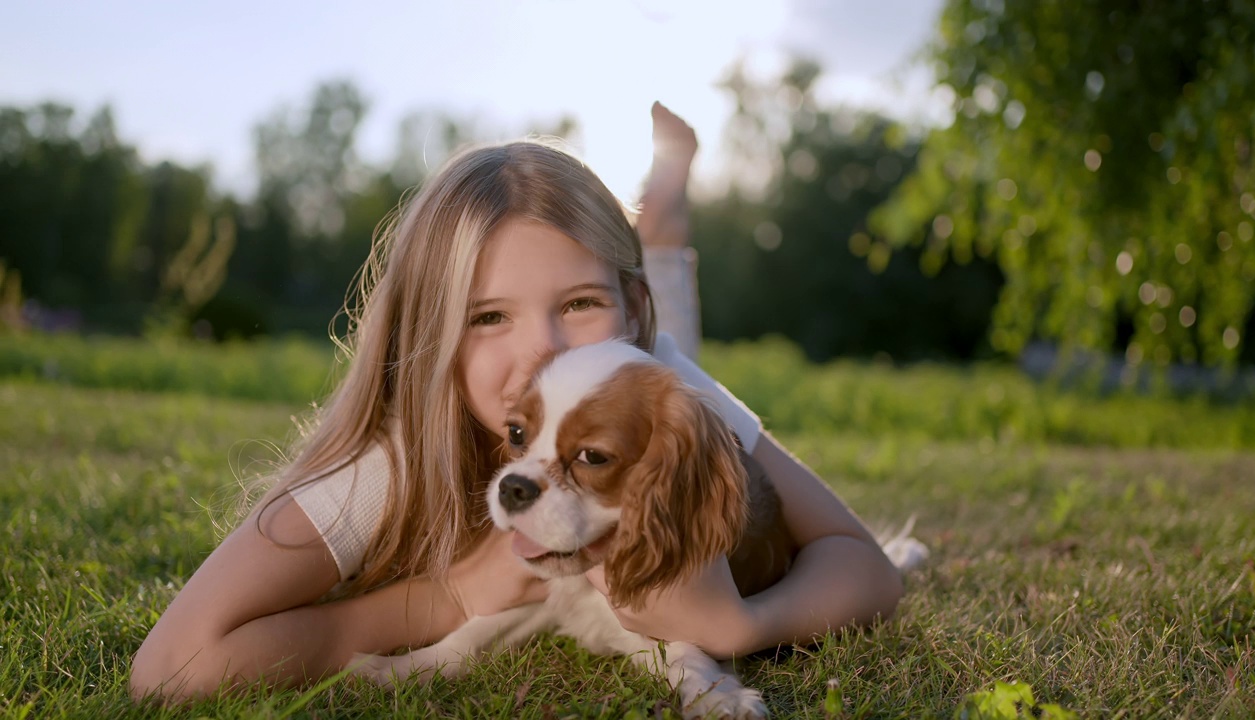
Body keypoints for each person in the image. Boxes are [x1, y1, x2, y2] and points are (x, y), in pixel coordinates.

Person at [129, 102, 904, 701]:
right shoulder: (393, 457)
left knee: (666, 292)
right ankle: (661, 207)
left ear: (629, 319)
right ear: (432, 337)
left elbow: (864, 563)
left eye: (578, 305)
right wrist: (446, 597)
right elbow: (169, 668)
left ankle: (660, 213)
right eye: (488, 316)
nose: (545, 352)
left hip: (648, 349)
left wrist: (741, 623)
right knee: (657, 261)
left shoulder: (651, 377)